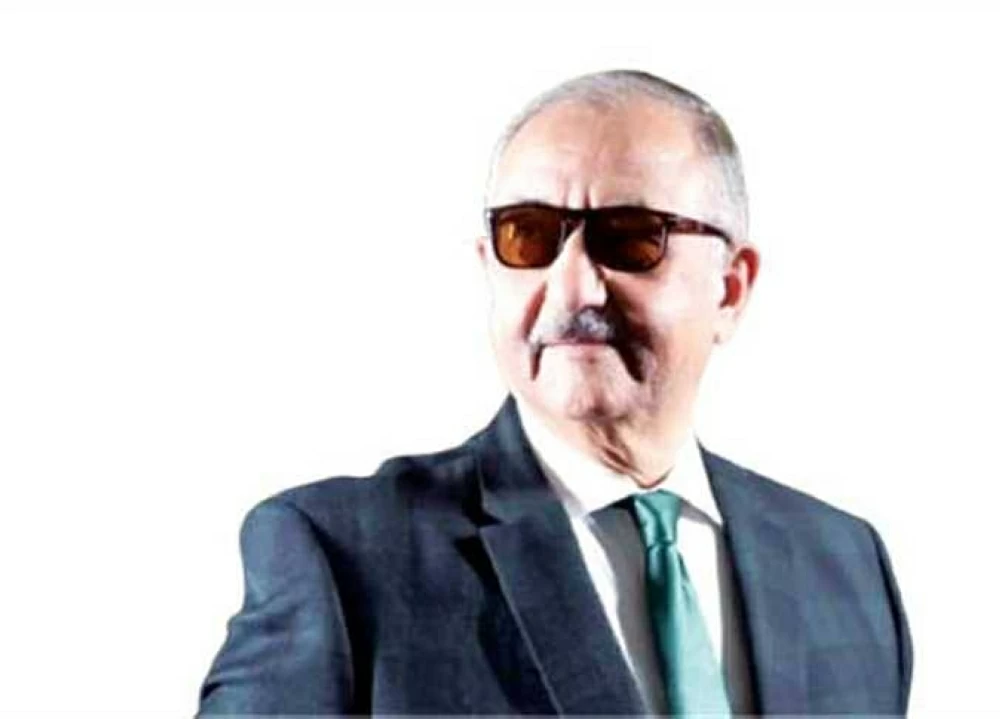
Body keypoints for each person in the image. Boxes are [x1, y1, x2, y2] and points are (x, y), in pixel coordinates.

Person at [196, 69, 913, 716]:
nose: (572, 286)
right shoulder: (343, 558)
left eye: (631, 238)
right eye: (528, 236)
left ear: (730, 288)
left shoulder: (846, 566)